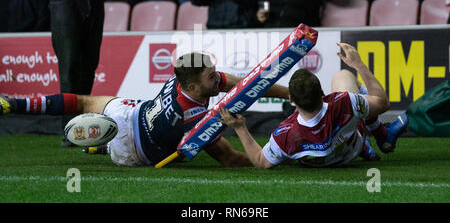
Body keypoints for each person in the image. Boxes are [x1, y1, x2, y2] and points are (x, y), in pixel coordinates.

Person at [0, 52, 290, 167]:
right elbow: (230, 158)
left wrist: (290, 93)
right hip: (133, 154)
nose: (218, 78)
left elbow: (250, 83)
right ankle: (104, 148)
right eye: (212, 76)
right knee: (181, 155)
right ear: (191, 88)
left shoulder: (182, 79)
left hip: (131, 115)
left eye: (215, 73)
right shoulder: (194, 119)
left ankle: (14, 104)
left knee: (85, 101)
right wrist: (274, 157)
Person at [219, 43, 409, 168]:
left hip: (324, 163)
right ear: (322, 93)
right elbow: (382, 103)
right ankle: (383, 135)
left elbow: (261, 162)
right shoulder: (342, 102)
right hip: (351, 148)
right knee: (342, 76)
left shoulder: (285, 133)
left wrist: (240, 127)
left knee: (355, 109)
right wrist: (358, 64)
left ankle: (368, 146)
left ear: (292, 100)